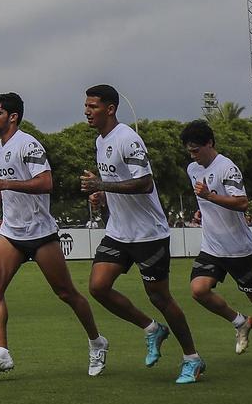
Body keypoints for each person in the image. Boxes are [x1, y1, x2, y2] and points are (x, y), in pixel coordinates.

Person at [0, 92, 106, 377]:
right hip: (12, 232)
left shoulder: (28, 143)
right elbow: (8, 184)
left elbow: (46, 183)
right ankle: (2, 354)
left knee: (66, 292)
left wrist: (4, 183)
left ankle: (97, 342)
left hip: (40, 233)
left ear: (13, 117)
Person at [79, 85, 203, 384]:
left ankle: (192, 359)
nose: (86, 111)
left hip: (149, 235)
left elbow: (145, 183)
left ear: (110, 109)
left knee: (160, 297)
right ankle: (152, 329)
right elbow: (115, 183)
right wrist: (102, 196)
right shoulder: (101, 141)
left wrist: (102, 187)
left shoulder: (128, 139)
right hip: (119, 232)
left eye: (93, 106)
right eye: (86, 106)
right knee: (98, 287)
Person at [182, 120, 252, 368]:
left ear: (210, 143)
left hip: (239, 250)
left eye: (196, 149)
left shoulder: (227, 168)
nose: (193, 155)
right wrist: (203, 209)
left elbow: (242, 203)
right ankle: (240, 322)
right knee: (198, 290)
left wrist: (210, 197)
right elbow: (205, 200)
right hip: (212, 247)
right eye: (189, 151)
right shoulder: (192, 169)